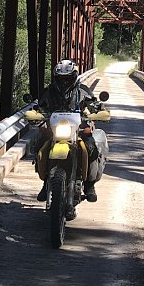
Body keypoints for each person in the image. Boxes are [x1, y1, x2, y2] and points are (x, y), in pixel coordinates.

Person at [34, 59, 108, 203]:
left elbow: (93, 103)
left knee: (91, 147)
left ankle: (90, 186)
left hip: (78, 128)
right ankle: (46, 182)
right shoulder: (49, 92)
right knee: (40, 143)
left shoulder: (82, 91)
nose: (64, 81)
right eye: (60, 78)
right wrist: (35, 113)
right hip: (54, 129)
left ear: (74, 77)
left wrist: (99, 110)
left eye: (67, 78)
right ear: (55, 77)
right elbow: (39, 106)